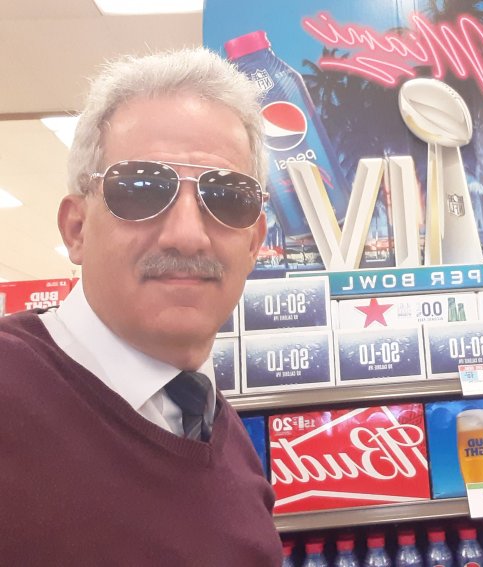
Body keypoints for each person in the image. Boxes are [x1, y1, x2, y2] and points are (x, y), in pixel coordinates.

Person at [0, 48, 282, 565]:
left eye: (227, 197)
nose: (188, 235)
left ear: (254, 241)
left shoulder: (223, 435)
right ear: (76, 228)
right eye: (142, 189)